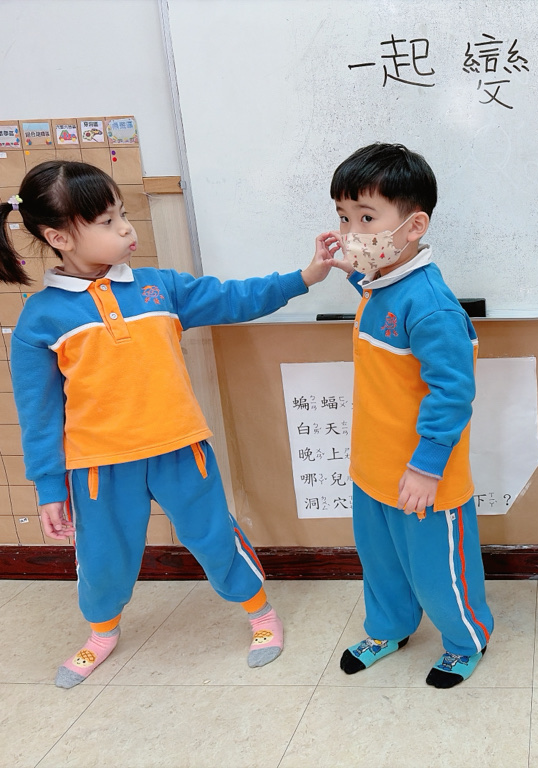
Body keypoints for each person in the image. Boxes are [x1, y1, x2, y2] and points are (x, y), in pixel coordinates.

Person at [0, 160, 341, 688]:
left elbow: (234, 298)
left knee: (214, 537)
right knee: (102, 557)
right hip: (99, 468)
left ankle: (261, 614)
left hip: (181, 449)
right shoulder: (39, 320)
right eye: (108, 221)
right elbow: (38, 413)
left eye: (123, 214)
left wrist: (306, 277)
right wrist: (49, 487)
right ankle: (101, 633)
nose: (126, 229)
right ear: (58, 237)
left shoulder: (160, 288)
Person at [324, 143, 493, 689]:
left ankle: (465, 640)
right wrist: (351, 271)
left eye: (366, 219)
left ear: (414, 226)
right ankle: (389, 628)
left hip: (423, 478)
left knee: (439, 571)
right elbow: (380, 296)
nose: (352, 233)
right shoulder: (381, 283)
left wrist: (426, 467)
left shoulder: (433, 306)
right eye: (344, 218)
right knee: (382, 565)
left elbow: (452, 393)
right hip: (372, 469)